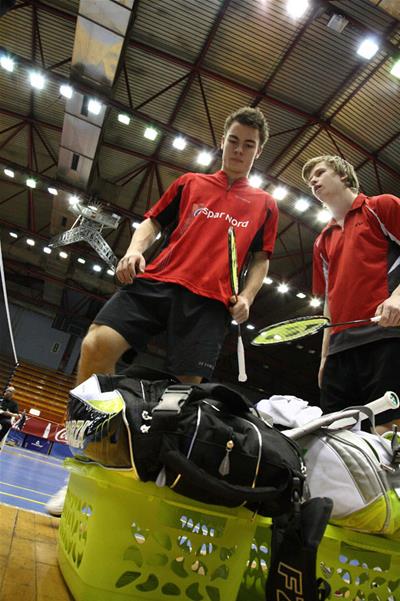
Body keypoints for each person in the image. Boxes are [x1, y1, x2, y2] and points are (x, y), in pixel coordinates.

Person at [45, 106, 279, 516]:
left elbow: (261, 260)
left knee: (180, 395)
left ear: (258, 152)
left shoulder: (265, 205)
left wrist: (247, 296)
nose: (239, 150)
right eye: (233, 141)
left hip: (209, 304)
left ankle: (145, 476)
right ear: (222, 141)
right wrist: (134, 251)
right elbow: (151, 223)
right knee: (96, 345)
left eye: (249, 145)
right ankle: (85, 460)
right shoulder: (190, 183)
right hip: (158, 282)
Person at [302, 155, 400, 433]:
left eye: (320, 173)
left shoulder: (380, 207)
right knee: (335, 438)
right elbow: (329, 300)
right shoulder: (322, 240)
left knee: (386, 430)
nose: (313, 181)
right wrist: (325, 356)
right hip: (340, 349)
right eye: (309, 180)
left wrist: (397, 298)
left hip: (385, 336)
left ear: (343, 175)